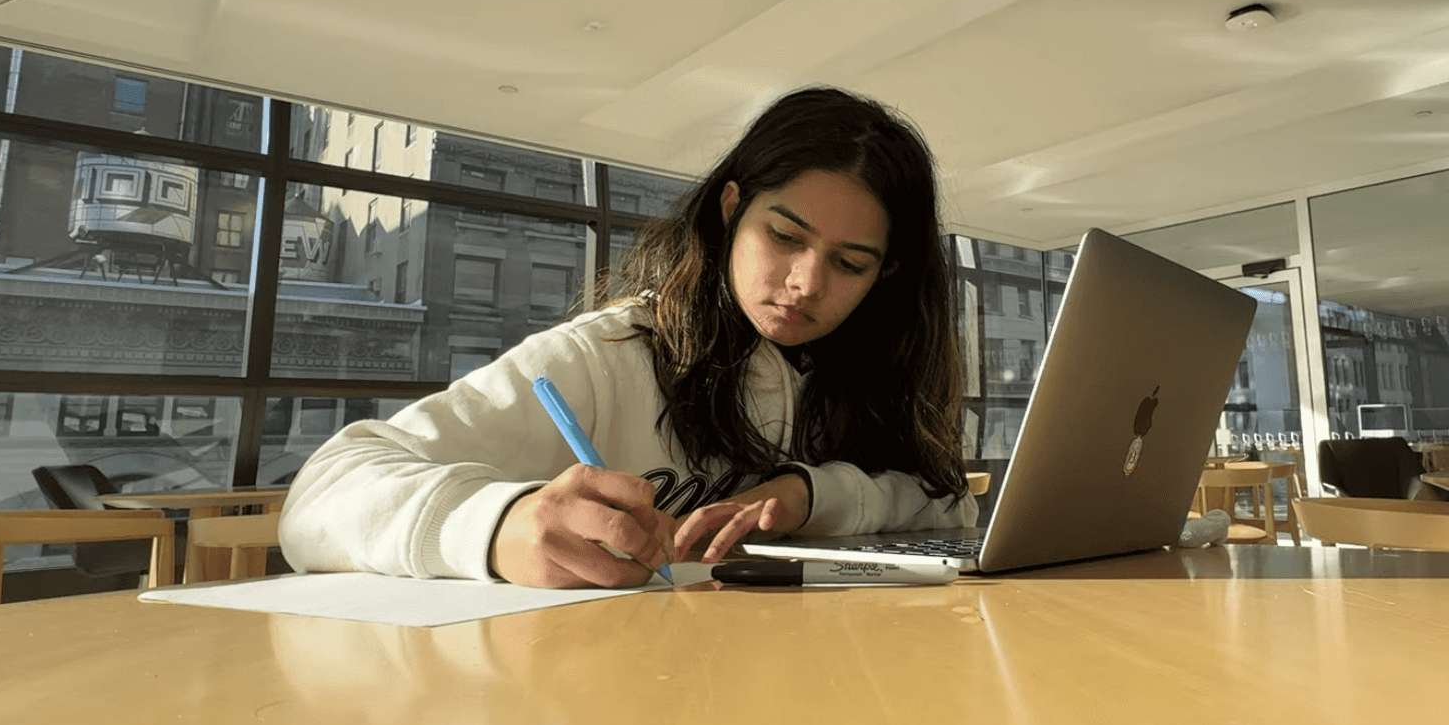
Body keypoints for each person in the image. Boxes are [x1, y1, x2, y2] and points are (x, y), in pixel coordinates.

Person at [280, 86, 977, 587]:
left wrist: (807, 495)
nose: (804, 281)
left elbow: (949, 502)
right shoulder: (607, 355)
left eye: (849, 263)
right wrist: (497, 526)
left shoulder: (864, 368)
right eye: (784, 235)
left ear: (885, 274)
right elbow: (321, 496)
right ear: (732, 209)